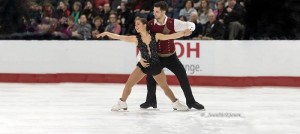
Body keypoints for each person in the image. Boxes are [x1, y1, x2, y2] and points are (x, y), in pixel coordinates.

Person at [96, 18, 190, 111]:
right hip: (143, 66)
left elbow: (170, 36)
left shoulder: (155, 36)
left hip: (155, 65)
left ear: (144, 25)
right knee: (129, 84)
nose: (136, 26)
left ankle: (175, 103)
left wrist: (183, 33)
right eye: (135, 25)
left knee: (164, 87)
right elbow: (120, 37)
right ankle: (122, 103)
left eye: (138, 24)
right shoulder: (136, 38)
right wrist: (107, 33)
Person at [139, 1, 205, 110]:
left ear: (163, 12)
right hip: (157, 57)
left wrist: (190, 30)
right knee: (150, 78)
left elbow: (190, 24)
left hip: (171, 57)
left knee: (183, 76)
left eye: (157, 11)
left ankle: (191, 101)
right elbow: (143, 42)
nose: (154, 13)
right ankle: (150, 101)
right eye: (154, 11)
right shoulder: (150, 25)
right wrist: (141, 57)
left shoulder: (172, 23)